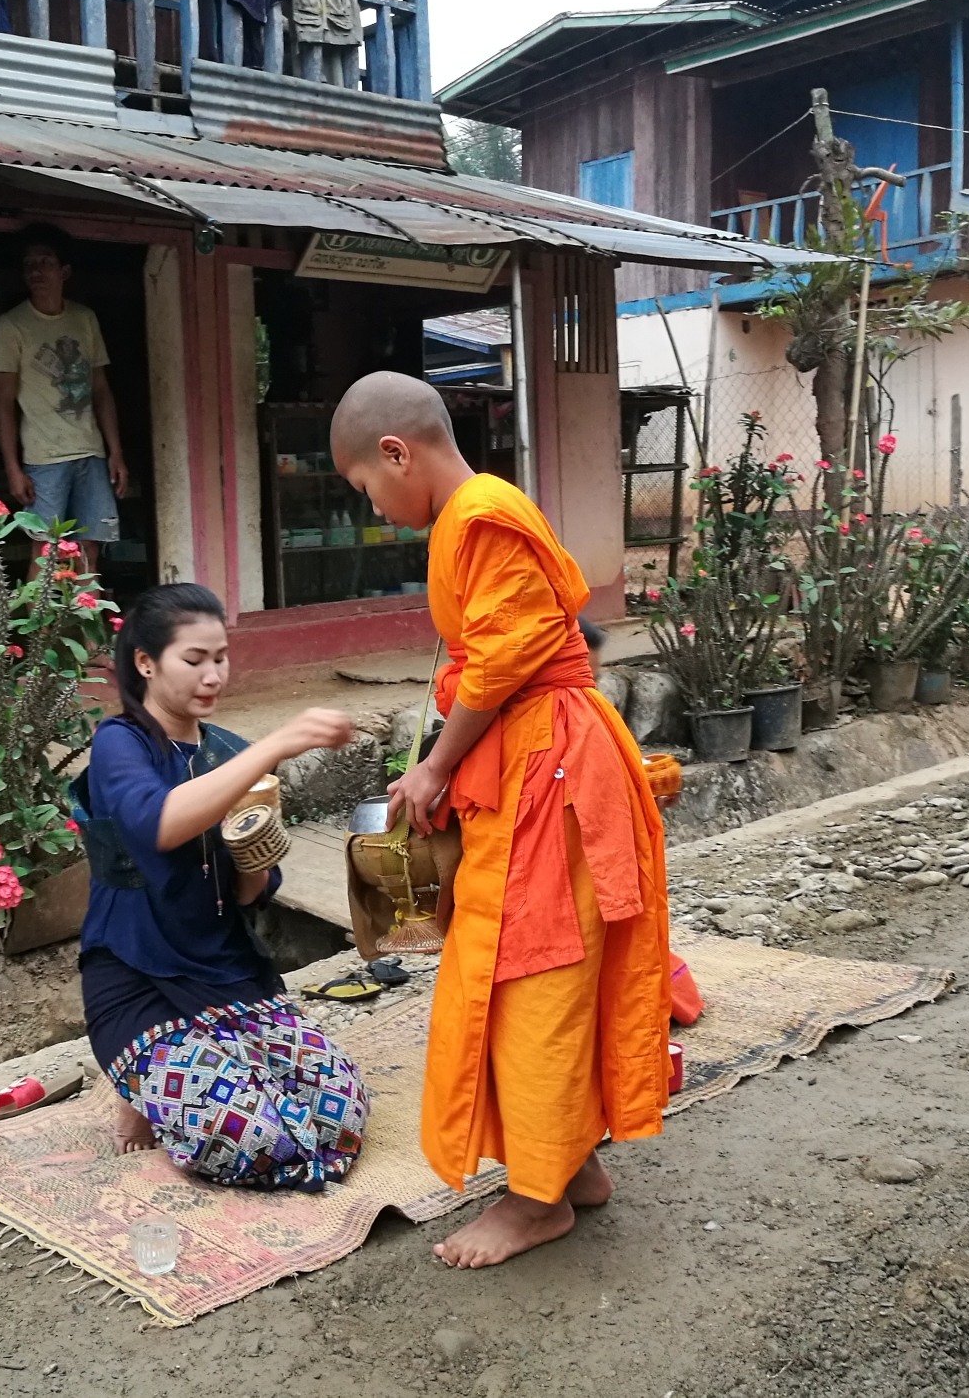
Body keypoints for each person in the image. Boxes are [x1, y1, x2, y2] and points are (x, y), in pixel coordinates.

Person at [330, 372, 672, 1268]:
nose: (372, 502)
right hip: (531, 761)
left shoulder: (480, 511)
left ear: (396, 452)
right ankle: (570, 1166)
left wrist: (438, 761)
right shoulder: (467, 516)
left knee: (536, 972)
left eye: (365, 485)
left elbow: (507, 655)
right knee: (534, 962)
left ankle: (533, 1201)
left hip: (550, 768)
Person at [72, 583, 370, 1190]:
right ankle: (140, 1083)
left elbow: (245, 894)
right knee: (253, 1139)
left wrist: (255, 854)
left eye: (221, 657)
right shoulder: (119, 743)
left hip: (223, 966)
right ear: (146, 663)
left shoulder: (227, 752)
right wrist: (278, 745)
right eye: (194, 660)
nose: (213, 675)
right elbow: (156, 822)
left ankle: (158, 1086)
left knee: (338, 1113)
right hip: (136, 976)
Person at [0, 223, 128, 577]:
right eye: (29, 264)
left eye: (45, 261)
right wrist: (12, 467)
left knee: (89, 552)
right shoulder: (12, 326)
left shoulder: (84, 319)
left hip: (91, 453)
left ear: (64, 271)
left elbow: (101, 390)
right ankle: (40, 634)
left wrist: (115, 452)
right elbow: (3, 402)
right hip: (43, 457)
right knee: (44, 551)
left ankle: (91, 634)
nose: (36, 270)